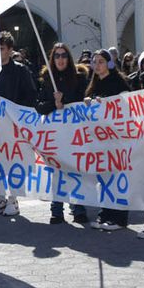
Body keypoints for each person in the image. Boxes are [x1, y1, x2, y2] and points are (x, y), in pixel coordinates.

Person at [0, 31, 38, 217]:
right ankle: (0, 199)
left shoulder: (20, 71)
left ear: (9, 50)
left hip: (14, 125)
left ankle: (13, 200)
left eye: (1, 48)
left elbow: (30, 95)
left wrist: (14, 111)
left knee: (15, 163)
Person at [36, 42, 90, 225]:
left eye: (64, 55)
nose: (60, 59)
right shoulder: (47, 79)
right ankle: (57, 210)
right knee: (56, 172)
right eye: (57, 56)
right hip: (55, 135)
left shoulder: (79, 78)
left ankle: (78, 208)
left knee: (75, 170)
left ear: (69, 58)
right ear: (53, 59)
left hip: (74, 134)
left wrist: (64, 101)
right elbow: (39, 106)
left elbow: (82, 100)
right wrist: (54, 104)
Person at [84, 49, 131, 231]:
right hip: (100, 142)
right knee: (103, 179)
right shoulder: (93, 84)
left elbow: (126, 105)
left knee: (117, 179)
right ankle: (105, 213)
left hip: (116, 141)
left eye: (101, 61)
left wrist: (106, 104)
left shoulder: (119, 83)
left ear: (110, 64)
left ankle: (119, 218)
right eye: (94, 62)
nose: (97, 65)